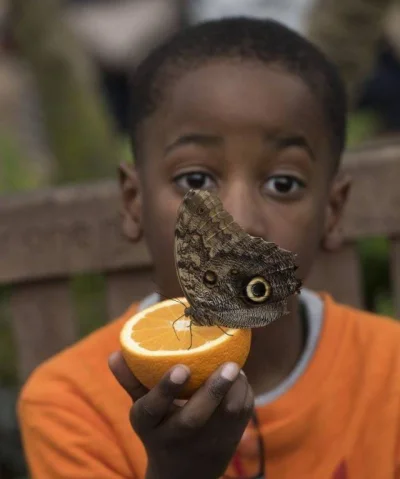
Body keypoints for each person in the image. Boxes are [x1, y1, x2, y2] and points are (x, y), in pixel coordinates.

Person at [17, 17, 400, 479]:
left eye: (283, 183)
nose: (239, 220)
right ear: (134, 202)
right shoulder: (72, 402)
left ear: (332, 211)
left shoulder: (390, 374)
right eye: (195, 180)